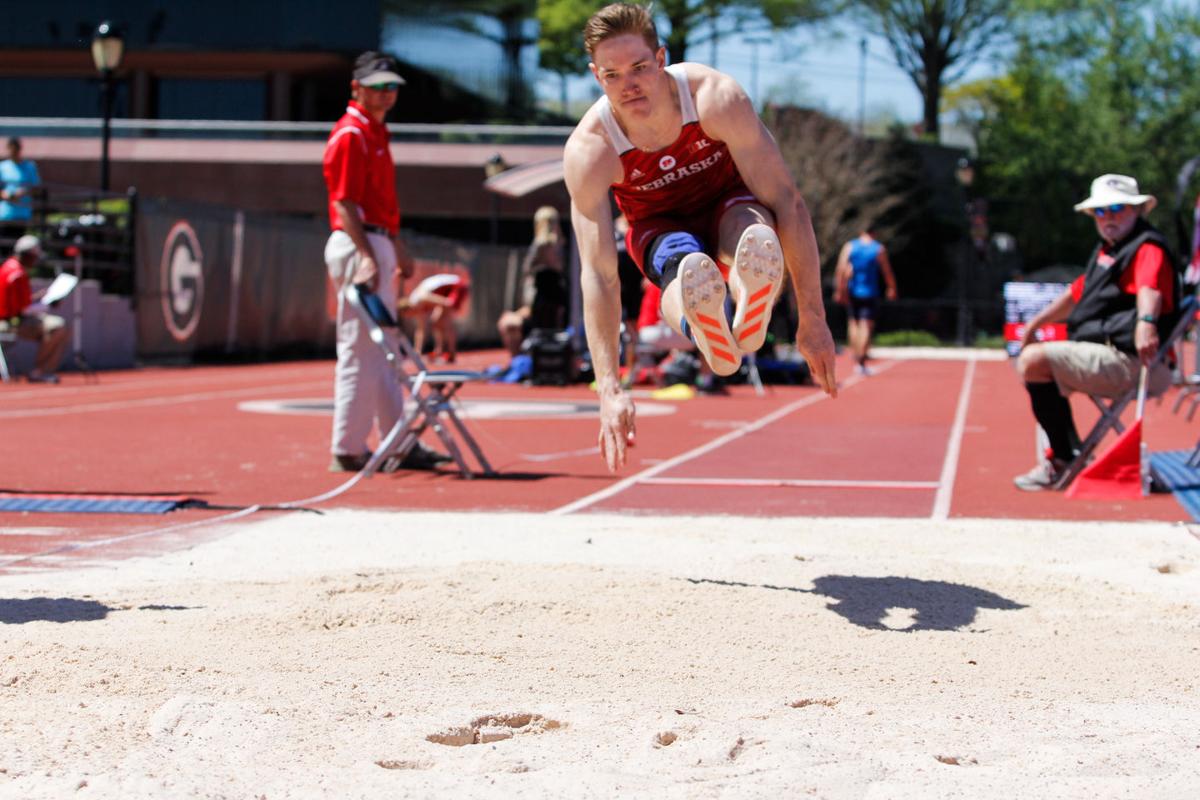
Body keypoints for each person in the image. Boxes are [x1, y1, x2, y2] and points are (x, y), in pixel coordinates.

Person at [563, 2, 837, 471]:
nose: (628, 85)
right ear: (596, 76)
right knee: (681, 269)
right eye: (612, 75)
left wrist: (813, 319)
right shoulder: (591, 149)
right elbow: (599, 275)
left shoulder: (714, 98)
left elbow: (788, 201)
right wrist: (609, 388)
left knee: (754, 228)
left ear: (662, 58)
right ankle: (706, 327)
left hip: (728, 202)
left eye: (639, 68)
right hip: (658, 224)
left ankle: (747, 297)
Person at [322, 50, 449, 473]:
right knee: (362, 349)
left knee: (386, 349)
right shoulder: (351, 134)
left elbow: (376, 203)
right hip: (358, 242)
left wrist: (394, 247)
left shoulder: (374, 132)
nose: (386, 94)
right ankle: (347, 447)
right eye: (377, 87)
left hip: (374, 240)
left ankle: (397, 442)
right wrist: (367, 255)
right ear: (356, 88)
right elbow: (344, 203)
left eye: (391, 86)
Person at [1013, 173, 1178, 491]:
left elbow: (1151, 288)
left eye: (1117, 208)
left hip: (1139, 362)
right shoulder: (1108, 251)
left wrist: (1146, 322)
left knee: (1034, 362)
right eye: (1101, 211)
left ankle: (1063, 459)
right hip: (1113, 355)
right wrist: (1035, 325)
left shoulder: (1147, 248)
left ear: (1136, 210)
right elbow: (1074, 296)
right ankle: (1065, 455)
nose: (1108, 217)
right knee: (1038, 366)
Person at [497, 205, 568, 357]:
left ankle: (518, 361)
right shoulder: (561, 245)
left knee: (505, 323)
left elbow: (527, 269)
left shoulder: (540, 245)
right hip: (548, 308)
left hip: (538, 308)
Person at [0, 235, 69, 383]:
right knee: (58, 326)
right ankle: (41, 371)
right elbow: (22, 310)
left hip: (12, 319)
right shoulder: (17, 274)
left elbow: (17, 302)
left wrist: (37, 297)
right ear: (28, 255)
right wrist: (48, 305)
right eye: (35, 257)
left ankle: (41, 371)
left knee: (55, 325)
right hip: (10, 322)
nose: (36, 261)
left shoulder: (8, 267)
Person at [833, 227, 897, 375]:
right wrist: (891, 287)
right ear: (874, 233)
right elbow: (887, 271)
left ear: (862, 232)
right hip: (870, 292)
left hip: (852, 291)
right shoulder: (878, 249)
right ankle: (861, 359)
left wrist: (839, 290)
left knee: (853, 323)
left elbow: (840, 268)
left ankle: (855, 354)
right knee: (866, 325)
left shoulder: (850, 246)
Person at [401, 272, 470, 363]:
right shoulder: (416, 305)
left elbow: (446, 303)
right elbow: (421, 329)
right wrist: (417, 352)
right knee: (436, 322)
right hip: (447, 291)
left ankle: (450, 353)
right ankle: (440, 351)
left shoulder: (420, 299)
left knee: (442, 322)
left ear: (408, 309)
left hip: (457, 286)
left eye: (408, 315)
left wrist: (444, 316)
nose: (411, 317)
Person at [0, 137, 40, 243]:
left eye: (15, 150)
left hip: (22, 215)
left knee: (18, 246)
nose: (13, 153)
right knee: (4, 246)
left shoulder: (30, 167)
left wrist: (23, 192)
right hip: (5, 215)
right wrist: (7, 195)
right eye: (11, 150)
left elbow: (36, 188)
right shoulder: (2, 167)